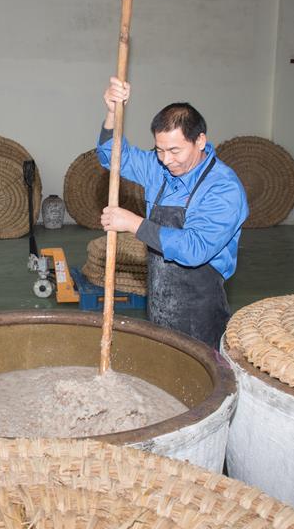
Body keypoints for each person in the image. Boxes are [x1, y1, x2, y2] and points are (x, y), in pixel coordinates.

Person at [97, 77, 248, 348]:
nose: (167, 160)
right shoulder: (159, 169)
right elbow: (113, 157)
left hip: (200, 313)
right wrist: (112, 113)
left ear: (200, 141)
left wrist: (133, 223)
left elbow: (194, 249)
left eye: (175, 150)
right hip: (159, 304)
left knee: (200, 370)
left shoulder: (223, 188)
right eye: (160, 150)